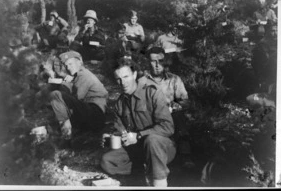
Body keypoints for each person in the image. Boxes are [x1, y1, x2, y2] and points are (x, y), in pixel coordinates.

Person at [100, 57, 176, 187]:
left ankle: (159, 181)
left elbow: (167, 127)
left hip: (162, 146)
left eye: (126, 76)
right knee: (107, 161)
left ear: (134, 75)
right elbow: (120, 129)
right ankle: (144, 170)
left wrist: (139, 135)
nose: (122, 82)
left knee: (152, 140)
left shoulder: (152, 93)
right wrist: (111, 135)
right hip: (137, 148)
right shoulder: (120, 102)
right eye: (118, 78)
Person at [138, 46, 193, 166]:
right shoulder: (142, 82)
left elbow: (185, 101)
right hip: (151, 117)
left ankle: (185, 156)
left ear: (165, 61)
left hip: (171, 116)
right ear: (148, 62)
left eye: (161, 61)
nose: (157, 65)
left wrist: (175, 105)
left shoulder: (174, 79)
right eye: (153, 61)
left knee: (179, 117)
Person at [49, 50, 108, 140]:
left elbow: (76, 97)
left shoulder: (83, 75)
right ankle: (65, 129)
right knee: (59, 102)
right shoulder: (79, 75)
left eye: (71, 64)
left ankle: (66, 134)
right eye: (67, 65)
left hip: (95, 115)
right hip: (92, 113)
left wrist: (65, 85)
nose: (68, 67)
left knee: (56, 95)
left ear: (79, 62)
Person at [252, 23, 277, 97]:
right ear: (267, 31)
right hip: (267, 73)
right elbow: (264, 63)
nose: (275, 33)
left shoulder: (277, 41)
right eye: (272, 31)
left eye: (277, 30)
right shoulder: (263, 44)